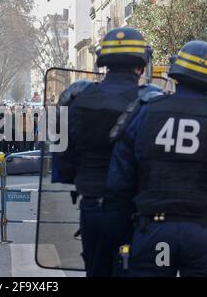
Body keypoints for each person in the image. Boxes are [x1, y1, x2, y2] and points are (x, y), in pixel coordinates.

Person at [108, 40, 207, 277]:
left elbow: (119, 181)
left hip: (154, 230)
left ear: (175, 70)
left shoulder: (145, 110)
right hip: (206, 234)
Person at [56, 27, 156, 277]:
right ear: (141, 65)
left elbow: (63, 155)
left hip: (94, 204)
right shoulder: (151, 101)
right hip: (138, 209)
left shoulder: (77, 98)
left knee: (96, 269)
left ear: (103, 61)